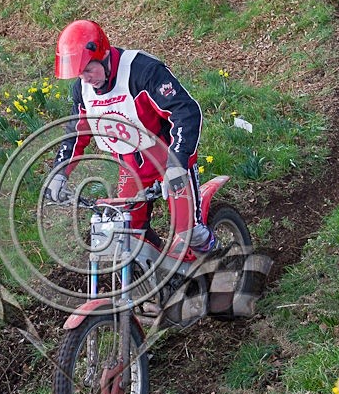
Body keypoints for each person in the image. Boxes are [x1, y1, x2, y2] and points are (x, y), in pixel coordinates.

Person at [45, 19, 217, 256]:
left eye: (88, 70)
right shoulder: (82, 89)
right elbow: (76, 134)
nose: (85, 78)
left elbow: (185, 111)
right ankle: (161, 276)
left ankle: (223, 261)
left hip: (169, 160)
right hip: (130, 167)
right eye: (79, 73)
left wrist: (177, 165)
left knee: (189, 232)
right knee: (125, 236)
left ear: (103, 55)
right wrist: (59, 174)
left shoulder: (143, 71)